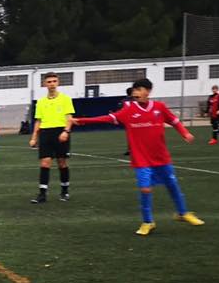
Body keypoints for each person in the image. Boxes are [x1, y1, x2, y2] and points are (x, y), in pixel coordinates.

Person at [72, 78, 202, 235]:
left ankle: (183, 213)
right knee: (145, 189)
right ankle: (148, 222)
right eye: (134, 90)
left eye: (139, 89)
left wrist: (185, 133)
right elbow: (107, 118)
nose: (135, 93)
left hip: (161, 157)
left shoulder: (159, 107)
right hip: (142, 159)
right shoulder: (128, 110)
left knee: (172, 185)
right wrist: (82, 121)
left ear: (148, 91)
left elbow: (174, 121)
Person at [29, 73, 74, 203]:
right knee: (45, 162)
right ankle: (42, 194)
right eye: (49, 82)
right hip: (45, 133)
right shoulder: (41, 102)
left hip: (61, 132)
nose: (52, 84)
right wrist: (34, 137)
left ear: (58, 83)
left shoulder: (65, 99)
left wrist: (66, 131)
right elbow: (38, 121)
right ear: (45, 84)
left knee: (62, 162)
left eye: (54, 81)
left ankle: (64, 191)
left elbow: (69, 118)